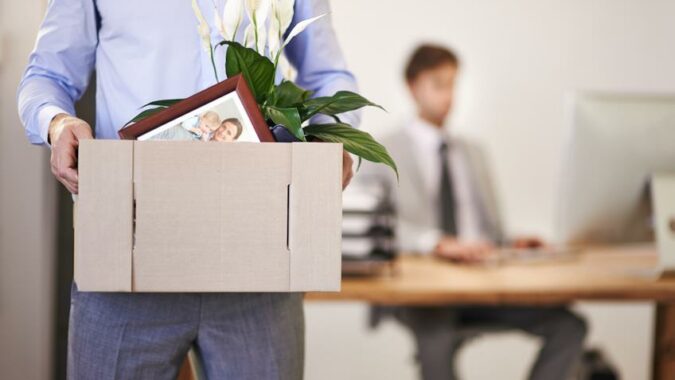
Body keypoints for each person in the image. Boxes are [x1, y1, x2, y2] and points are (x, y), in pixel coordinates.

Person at [16, 0, 357, 378]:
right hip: (125, 253)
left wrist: (331, 143)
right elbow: (47, 75)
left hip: (259, 257)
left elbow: (328, 75)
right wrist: (57, 123)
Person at [357, 44, 587, 380]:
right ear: (412, 86)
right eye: (438, 84)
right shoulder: (381, 150)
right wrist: (436, 243)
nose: (448, 95)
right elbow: (373, 225)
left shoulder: (473, 153)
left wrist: (514, 243)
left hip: (482, 281)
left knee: (569, 326)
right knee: (436, 338)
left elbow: (489, 231)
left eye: (453, 84)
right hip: (424, 291)